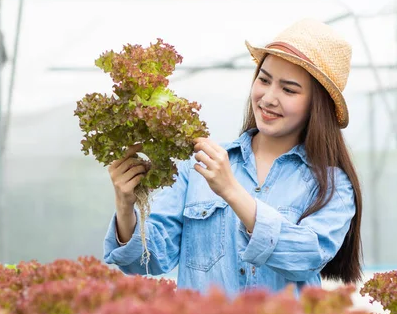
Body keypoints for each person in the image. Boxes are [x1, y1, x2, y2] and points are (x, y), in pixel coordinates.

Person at [103, 18, 363, 297]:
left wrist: (231, 191)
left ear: (317, 104)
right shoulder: (198, 167)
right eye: (264, 80)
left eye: (288, 89)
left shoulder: (332, 186)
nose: (268, 98)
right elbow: (147, 261)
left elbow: (306, 257)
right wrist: (125, 206)